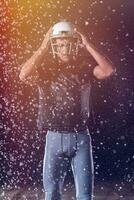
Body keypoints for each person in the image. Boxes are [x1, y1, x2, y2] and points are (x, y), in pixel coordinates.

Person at [19, 20, 115, 200]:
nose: (63, 48)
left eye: (67, 43)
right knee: (52, 194)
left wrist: (88, 44)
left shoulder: (84, 66)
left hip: (80, 137)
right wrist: (42, 47)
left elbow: (108, 70)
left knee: (85, 195)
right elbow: (23, 74)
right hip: (54, 137)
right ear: (54, 44)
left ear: (75, 43)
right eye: (59, 44)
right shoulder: (46, 68)